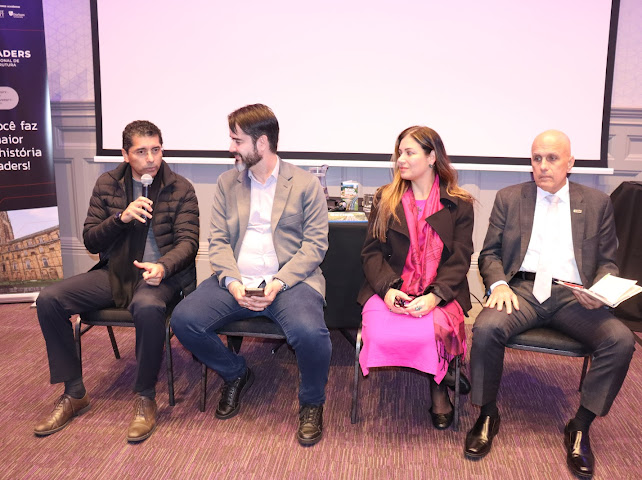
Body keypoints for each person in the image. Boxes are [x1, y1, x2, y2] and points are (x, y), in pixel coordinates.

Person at [465, 130, 635, 478]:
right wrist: (499, 284)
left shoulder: (597, 203)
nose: (543, 166)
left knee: (620, 340)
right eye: (537, 158)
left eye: (552, 158)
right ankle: (487, 413)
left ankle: (580, 425)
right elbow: (490, 254)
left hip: (574, 296)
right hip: (521, 290)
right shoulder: (510, 198)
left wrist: (599, 291)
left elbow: (607, 262)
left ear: (569, 163)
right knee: (486, 328)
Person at [171, 104, 331, 447]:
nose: (231, 147)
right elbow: (217, 242)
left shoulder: (305, 184)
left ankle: (311, 403)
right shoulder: (227, 183)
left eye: (237, 140)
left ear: (261, 143)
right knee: (184, 320)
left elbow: (315, 246)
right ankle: (236, 372)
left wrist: (279, 282)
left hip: (289, 282)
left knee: (312, 333)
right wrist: (232, 282)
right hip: (237, 279)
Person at [34, 120, 199, 442]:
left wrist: (162, 266)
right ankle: (74, 392)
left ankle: (145, 397)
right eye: (141, 152)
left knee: (147, 307)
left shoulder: (180, 187)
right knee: (49, 299)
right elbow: (91, 240)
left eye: (156, 150)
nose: (151, 159)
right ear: (125, 154)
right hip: (116, 273)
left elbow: (188, 243)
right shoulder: (107, 184)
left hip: (161, 275)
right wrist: (120, 218)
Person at [358, 126, 474, 429]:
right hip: (392, 287)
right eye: (400, 153)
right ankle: (444, 371)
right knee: (380, 335)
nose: (401, 160)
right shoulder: (386, 198)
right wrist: (387, 290)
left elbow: (460, 259)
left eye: (409, 153)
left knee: (431, 333)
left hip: (441, 290)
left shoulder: (459, 203)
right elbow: (371, 253)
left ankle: (438, 386)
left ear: (432, 157)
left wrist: (435, 296)